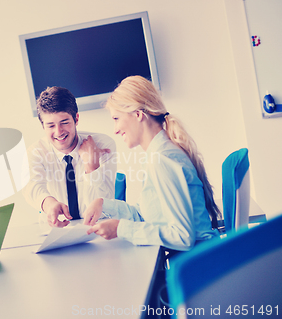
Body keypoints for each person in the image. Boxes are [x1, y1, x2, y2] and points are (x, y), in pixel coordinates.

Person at [84, 76, 221, 251]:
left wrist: (121, 229)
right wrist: (103, 203)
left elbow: (182, 236)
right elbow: (145, 214)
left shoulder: (162, 159)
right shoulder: (157, 154)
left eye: (116, 118)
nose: (115, 129)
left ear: (138, 115)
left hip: (197, 265)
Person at [24, 86, 117, 228]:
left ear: (76, 118)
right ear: (42, 126)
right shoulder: (36, 152)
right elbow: (33, 187)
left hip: (97, 228)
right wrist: (49, 204)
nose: (58, 132)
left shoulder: (103, 144)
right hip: (57, 230)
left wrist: (91, 165)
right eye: (50, 126)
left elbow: (106, 199)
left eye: (64, 122)